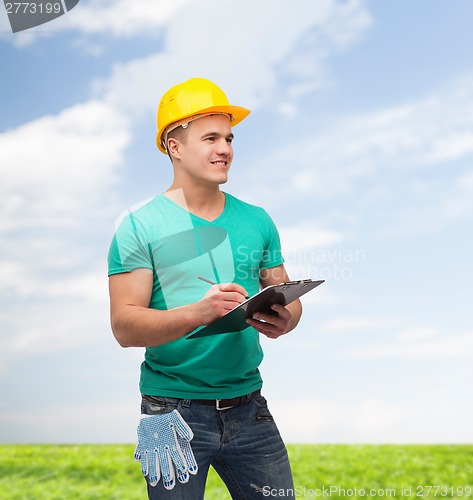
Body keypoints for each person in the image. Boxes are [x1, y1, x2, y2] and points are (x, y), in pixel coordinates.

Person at [108, 77, 302, 499]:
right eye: (210, 137)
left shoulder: (257, 220)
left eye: (229, 138)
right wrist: (199, 312)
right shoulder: (139, 227)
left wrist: (285, 318)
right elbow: (124, 327)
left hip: (250, 409)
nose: (225, 149)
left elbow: (286, 294)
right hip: (170, 414)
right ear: (174, 147)